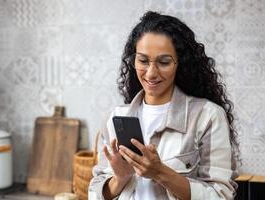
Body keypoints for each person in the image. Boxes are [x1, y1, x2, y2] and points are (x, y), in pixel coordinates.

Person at [89, 11, 239, 200]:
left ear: (180, 64)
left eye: (164, 62)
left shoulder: (207, 116)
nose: (151, 73)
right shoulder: (115, 118)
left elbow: (221, 196)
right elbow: (94, 193)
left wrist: (160, 173)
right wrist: (121, 178)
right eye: (143, 60)